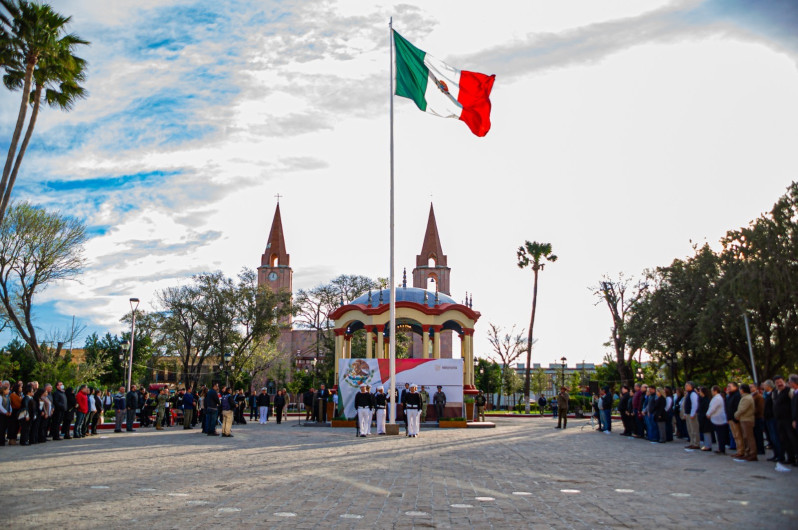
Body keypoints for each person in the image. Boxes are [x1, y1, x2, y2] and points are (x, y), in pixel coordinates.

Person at [734, 383, 757, 462]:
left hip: (747, 419)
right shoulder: (745, 397)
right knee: (745, 437)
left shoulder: (747, 398)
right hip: (744, 419)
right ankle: (748, 453)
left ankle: (752, 453)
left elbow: (742, 409)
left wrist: (736, 414)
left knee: (749, 437)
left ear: (742, 390)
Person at [762, 379, 783, 463]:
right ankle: (776, 454)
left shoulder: (774, 393)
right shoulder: (767, 395)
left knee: (775, 437)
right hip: (768, 418)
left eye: (764, 385)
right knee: (772, 438)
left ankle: (780, 455)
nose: (763, 387)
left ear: (768, 386)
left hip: (773, 418)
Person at [706, 385, 728, 455]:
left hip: (719, 419)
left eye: (712, 391)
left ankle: (722, 448)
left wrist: (708, 414)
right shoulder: (716, 398)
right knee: (718, 434)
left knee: (720, 434)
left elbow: (713, 407)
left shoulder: (717, 398)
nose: (711, 392)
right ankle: (720, 448)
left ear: (715, 391)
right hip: (716, 418)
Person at [725, 382, 743, 457]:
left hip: (735, 419)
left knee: (739, 436)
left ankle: (741, 451)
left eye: (730, 386)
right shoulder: (730, 396)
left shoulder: (737, 395)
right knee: (735, 436)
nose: (728, 388)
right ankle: (739, 450)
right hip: (730, 419)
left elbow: (736, 408)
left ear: (735, 387)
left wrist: (735, 418)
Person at [682, 382, 700, 449]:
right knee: (690, 429)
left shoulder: (693, 394)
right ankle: (692, 442)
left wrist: (693, 413)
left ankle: (696, 443)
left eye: (687, 385)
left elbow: (694, 404)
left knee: (694, 429)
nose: (685, 387)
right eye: (685, 385)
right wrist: (685, 413)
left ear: (691, 386)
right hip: (688, 413)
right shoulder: (688, 394)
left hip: (692, 414)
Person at [697, 386, 713, 451]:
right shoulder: (702, 399)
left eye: (700, 391)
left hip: (705, 418)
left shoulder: (707, 400)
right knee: (704, 432)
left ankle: (708, 446)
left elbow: (706, 409)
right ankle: (706, 444)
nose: (699, 392)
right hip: (702, 417)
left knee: (707, 432)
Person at [751, 384, 765, 455]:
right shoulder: (752, 396)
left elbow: (759, 408)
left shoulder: (758, 396)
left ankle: (761, 449)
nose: (750, 388)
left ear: (755, 388)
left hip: (758, 417)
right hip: (753, 418)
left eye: (751, 387)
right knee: (755, 434)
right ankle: (757, 448)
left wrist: (751, 412)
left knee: (759, 435)